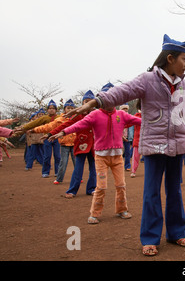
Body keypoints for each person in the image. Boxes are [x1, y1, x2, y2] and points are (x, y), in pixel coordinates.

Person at [63, 34, 185, 256]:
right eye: (184, 59)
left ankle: (176, 233)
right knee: (151, 193)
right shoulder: (147, 80)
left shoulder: (184, 85)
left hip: (177, 145)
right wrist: (94, 103)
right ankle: (150, 237)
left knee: (175, 191)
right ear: (170, 58)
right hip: (154, 145)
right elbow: (121, 92)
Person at [50, 83, 141, 224]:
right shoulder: (95, 115)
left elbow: (141, 121)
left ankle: (121, 209)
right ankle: (95, 213)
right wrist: (62, 132)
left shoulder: (121, 115)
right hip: (101, 157)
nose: (111, 101)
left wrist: (158, 122)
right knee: (102, 186)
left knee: (121, 185)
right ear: (101, 100)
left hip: (117, 157)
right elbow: (78, 125)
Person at [48, 91, 98, 198]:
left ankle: (92, 188)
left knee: (93, 168)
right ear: (82, 103)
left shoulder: (97, 114)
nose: (88, 104)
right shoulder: (78, 115)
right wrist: (51, 133)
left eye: (90, 102)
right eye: (86, 101)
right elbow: (65, 125)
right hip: (81, 144)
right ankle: (72, 190)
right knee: (78, 168)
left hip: (94, 146)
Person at [32, 99, 77, 184]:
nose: (70, 110)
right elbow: (47, 126)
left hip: (70, 142)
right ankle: (47, 172)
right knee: (48, 156)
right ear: (64, 109)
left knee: (66, 159)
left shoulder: (76, 118)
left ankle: (73, 176)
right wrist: (33, 129)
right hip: (53, 139)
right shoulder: (56, 119)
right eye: (68, 108)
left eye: (72, 108)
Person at [15, 100, 61, 178]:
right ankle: (45, 172)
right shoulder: (44, 118)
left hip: (57, 138)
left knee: (58, 156)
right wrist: (21, 128)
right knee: (47, 156)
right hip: (47, 138)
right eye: (49, 108)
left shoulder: (59, 117)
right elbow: (33, 123)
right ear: (47, 110)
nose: (51, 110)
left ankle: (58, 172)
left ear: (56, 110)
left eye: (53, 108)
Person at [130, 100, 142, 178]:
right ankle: (133, 171)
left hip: (147, 141)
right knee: (135, 157)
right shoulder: (136, 116)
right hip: (137, 141)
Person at [119, 103, 133, 171]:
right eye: (123, 109)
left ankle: (127, 166)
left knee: (128, 152)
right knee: (119, 152)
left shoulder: (130, 117)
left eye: (126, 109)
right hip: (119, 138)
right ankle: (119, 166)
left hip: (127, 138)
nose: (125, 110)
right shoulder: (117, 118)